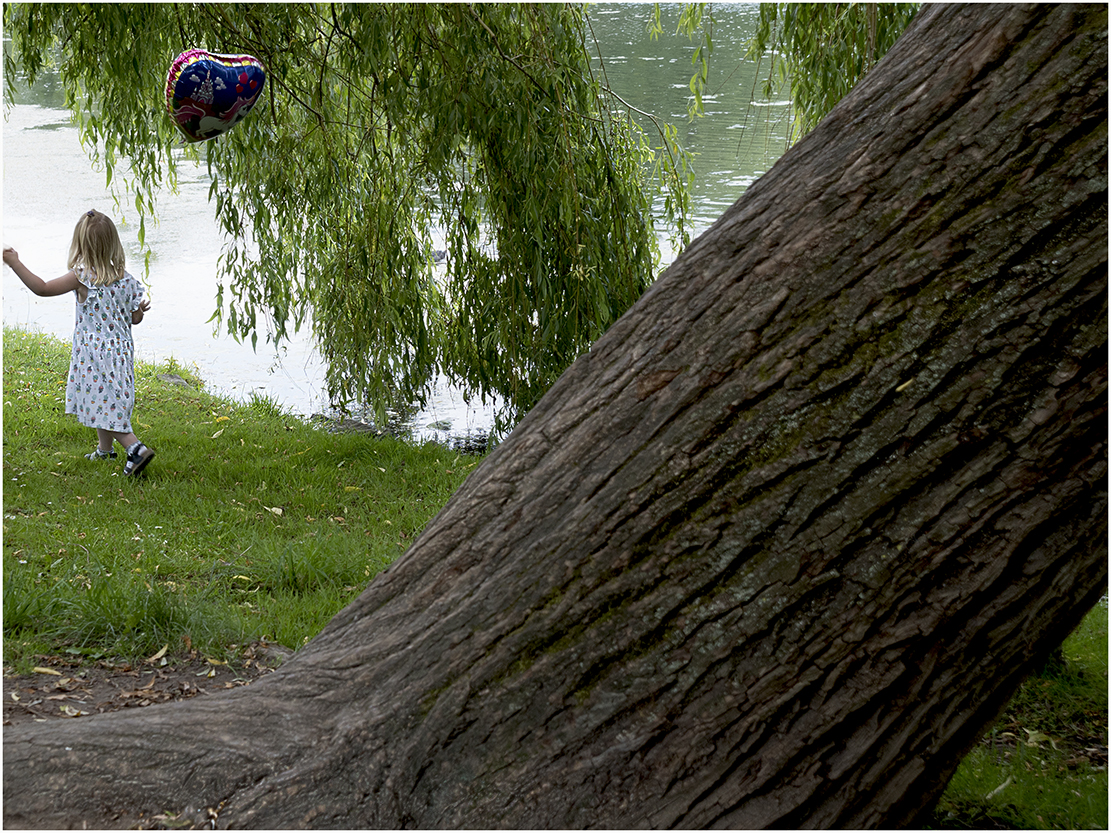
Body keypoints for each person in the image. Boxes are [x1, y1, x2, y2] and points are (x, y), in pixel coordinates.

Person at [4, 209, 156, 476]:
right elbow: (134, 318)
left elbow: (42, 288)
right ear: (113, 243)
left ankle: (135, 448)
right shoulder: (126, 279)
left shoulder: (82, 276)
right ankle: (104, 450)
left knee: (103, 403)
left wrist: (15, 263)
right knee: (106, 399)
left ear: (81, 244)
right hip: (120, 353)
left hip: (94, 353)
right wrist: (140, 311)